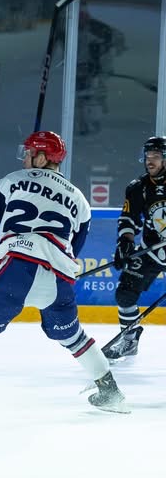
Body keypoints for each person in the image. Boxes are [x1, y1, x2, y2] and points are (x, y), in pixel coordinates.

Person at [0, 131, 128, 413]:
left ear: (42, 157)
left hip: (16, 266)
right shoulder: (80, 200)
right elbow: (74, 246)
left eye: (30, 153)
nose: (25, 158)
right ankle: (111, 392)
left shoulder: (11, 180)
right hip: (58, 278)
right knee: (74, 337)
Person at [104, 135, 166, 361]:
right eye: (148, 156)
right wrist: (126, 242)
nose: (150, 161)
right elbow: (129, 219)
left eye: (156, 157)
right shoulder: (138, 188)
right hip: (152, 251)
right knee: (125, 294)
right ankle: (129, 339)